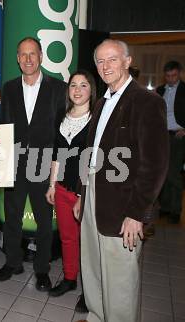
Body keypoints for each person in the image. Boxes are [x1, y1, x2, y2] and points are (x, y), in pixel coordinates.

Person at [73, 39, 168, 322]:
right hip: (92, 194)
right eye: (100, 61)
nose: (105, 66)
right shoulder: (102, 102)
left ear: (128, 61)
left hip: (123, 204)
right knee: (92, 266)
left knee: (119, 275)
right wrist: (81, 194)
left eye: (112, 59)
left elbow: (155, 165)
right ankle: (97, 316)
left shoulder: (148, 101)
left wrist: (137, 213)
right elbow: (91, 153)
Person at [0, 37, 66, 292]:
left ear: (41, 56)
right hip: (14, 162)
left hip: (43, 164)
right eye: (23, 54)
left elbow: (62, 132)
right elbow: (4, 128)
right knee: (12, 216)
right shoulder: (9, 88)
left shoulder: (59, 88)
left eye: (32, 54)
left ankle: (42, 270)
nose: (27, 59)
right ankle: (13, 262)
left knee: (44, 219)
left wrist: (55, 171)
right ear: (17, 58)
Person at [45, 71, 95, 312]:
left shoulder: (96, 120)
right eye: (73, 85)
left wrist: (83, 195)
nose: (77, 89)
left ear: (91, 90)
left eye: (83, 85)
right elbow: (56, 155)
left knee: (87, 243)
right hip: (63, 189)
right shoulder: (62, 117)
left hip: (84, 191)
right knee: (67, 238)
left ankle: (90, 292)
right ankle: (69, 278)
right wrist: (52, 185)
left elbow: (94, 161)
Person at [157, 61, 185, 224]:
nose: (171, 79)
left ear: (180, 73)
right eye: (168, 76)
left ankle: (175, 210)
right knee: (162, 172)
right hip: (161, 136)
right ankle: (165, 208)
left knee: (173, 173)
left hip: (178, 137)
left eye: (174, 75)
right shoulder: (160, 90)